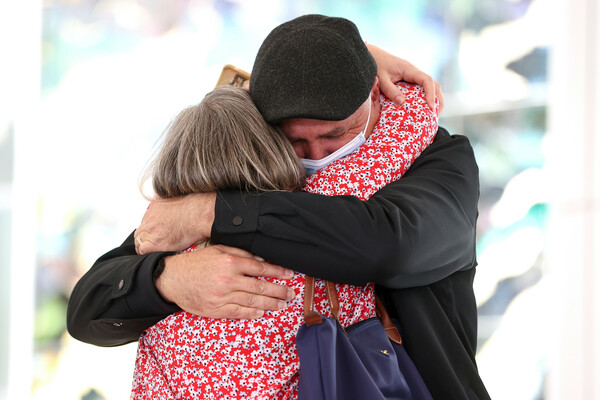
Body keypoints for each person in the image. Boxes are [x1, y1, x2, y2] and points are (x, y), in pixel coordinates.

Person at [67, 14, 490, 400]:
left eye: (337, 135)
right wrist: (168, 279)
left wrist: (212, 215)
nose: (317, 153)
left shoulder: (438, 160)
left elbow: (387, 244)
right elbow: (89, 309)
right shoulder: (251, 168)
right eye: (296, 142)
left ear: (375, 95)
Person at [131, 72, 437, 397]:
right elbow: (413, 115)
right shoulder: (322, 207)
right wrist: (366, 67)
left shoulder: (159, 274)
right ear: (272, 151)